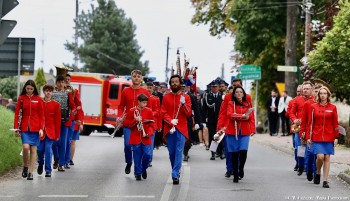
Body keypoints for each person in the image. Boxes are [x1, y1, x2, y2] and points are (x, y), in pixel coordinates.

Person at [117, 70, 151, 175]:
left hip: (141, 123)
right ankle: (128, 162)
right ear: (131, 78)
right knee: (127, 145)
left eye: (138, 76)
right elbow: (121, 106)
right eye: (134, 76)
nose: (136, 78)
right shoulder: (125, 91)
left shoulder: (145, 92)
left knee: (139, 147)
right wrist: (119, 116)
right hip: (129, 122)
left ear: (141, 78)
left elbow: (148, 107)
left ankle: (139, 169)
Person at [217, 78, 252, 178]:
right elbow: (223, 113)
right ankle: (230, 169)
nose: (236, 87)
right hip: (229, 126)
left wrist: (252, 128)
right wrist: (220, 127)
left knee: (241, 150)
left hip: (242, 127)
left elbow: (250, 113)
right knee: (229, 150)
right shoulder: (228, 98)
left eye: (238, 85)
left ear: (241, 86)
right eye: (234, 85)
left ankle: (239, 168)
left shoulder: (247, 97)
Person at [161, 75, 192, 184]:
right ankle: (176, 169)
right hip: (170, 128)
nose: (174, 83)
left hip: (181, 128)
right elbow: (163, 112)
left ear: (180, 83)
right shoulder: (165, 97)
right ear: (170, 83)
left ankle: (175, 173)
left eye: (176, 81)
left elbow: (188, 114)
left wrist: (183, 104)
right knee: (172, 152)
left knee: (179, 151)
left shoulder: (186, 97)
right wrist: (170, 121)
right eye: (172, 82)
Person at [306, 86, 338, 188]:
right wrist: (308, 137)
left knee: (327, 157)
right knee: (320, 157)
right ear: (318, 95)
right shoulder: (313, 107)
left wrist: (336, 137)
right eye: (321, 93)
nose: (323, 95)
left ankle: (325, 181)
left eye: (325, 93)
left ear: (328, 95)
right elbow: (309, 123)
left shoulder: (333, 107)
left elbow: (335, 124)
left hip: (329, 136)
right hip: (317, 135)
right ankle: (318, 171)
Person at [14, 80, 44, 180]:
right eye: (27, 89)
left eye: (31, 89)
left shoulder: (38, 99)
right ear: (25, 88)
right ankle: (25, 166)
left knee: (33, 149)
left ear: (34, 89)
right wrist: (16, 129)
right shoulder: (21, 98)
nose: (29, 91)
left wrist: (41, 128)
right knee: (26, 147)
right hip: (24, 127)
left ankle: (31, 173)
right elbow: (17, 114)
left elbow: (41, 115)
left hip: (35, 128)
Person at [124, 94, 155, 180]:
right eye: (143, 103)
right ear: (138, 102)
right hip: (136, 137)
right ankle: (138, 173)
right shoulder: (132, 111)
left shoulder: (149, 111)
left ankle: (143, 169)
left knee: (147, 155)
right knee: (136, 156)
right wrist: (135, 120)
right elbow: (128, 124)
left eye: (146, 103)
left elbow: (152, 125)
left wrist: (148, 133)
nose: (145, 104)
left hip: (146, 137)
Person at [51, 75, 76, 172]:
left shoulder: (68, 93)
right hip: (54, 122)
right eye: (59, 82)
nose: (61, 84)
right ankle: (56, 158)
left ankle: (61, 164)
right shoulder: (52, 93)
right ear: (56, 83)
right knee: (53, 142)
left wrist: (73, 110)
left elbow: (72, 105)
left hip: (65, 121)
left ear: (65, 83)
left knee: (63, 143)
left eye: (63, 82)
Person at [289, 81, 314, 176]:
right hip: (299, 127)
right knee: (299, 148)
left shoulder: (315, 100)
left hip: (310, 128)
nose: (305, 90)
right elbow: (291, 113)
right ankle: (300, 165)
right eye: (304, 89)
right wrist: (294, 119)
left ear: (312, 90)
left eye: (307, 89)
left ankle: (308, 167)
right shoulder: (297, 100)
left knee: (309, 148)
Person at [37, 85, 61, 178]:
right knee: (39, 150)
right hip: (40, 131)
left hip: (51, 132)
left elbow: (57, 121)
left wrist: (57, 134)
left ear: (52, 92)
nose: (48, 93)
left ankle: (48, 170)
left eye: (50, 91)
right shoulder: (39, 102)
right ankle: (40, 164)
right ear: (44, 91)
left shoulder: (56, 104)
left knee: (48, 149)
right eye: (46, 91)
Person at [300, 84, 322, 181]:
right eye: (316, 91)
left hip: (321, 133)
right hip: (310, 133)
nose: (317, 93)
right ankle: (309, 170)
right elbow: (304, 120)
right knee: (310, 154)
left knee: (319, 155)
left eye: (319, 91)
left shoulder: (324, 104)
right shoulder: (308, 104)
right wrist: (302, 133)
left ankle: (316, 172)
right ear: (313, 91)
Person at [202, 80, 224, 160]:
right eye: (213, 87)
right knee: (212, 136)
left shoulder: (222, 96)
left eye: (216, 87)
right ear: (211, 87)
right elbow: (204, 109)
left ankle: (221, 152)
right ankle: (213, 153)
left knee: (221, 136)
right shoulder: (208, 96)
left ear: (218, 87)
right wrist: (203, 121)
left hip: (220, 120)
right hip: (211, 120)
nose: (214, 88)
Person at [65, 74, 83, 166]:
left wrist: (80, 121)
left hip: (73, 119)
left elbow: (79, 106)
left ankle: (69, 159)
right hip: (63, 119)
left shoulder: (74, 91)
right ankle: (62, 158)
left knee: (72, 141)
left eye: (68, 79)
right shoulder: (59, 91)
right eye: (65, 79)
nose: (67, 81)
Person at [182, 85, 200, 161]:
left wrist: (197, 122)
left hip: (188, 119)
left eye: (184, 87)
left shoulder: (190, 96)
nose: (182, 88)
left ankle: (185, 152)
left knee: (188, 137)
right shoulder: (174, 95)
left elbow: (196, 109)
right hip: (177, 121)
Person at [286, 85, 302, 172]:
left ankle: (303, 164)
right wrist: (295, 119)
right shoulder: (292, 101)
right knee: (296, 146)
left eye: (301, 91)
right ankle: (298, 162)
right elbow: (288, 113)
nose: (299, 93)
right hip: (296, 127)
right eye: (298, 91)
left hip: (304, 126)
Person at [145, 82, 161, 167]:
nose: (149, 89)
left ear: (153, 88)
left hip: (152, 124)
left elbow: (158, 112)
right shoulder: (141, 98)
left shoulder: (156, 99)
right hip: (143, 123)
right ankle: (143, 158)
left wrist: (159, 125)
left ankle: (149, 160)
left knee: (150, 142)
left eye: (150, 87)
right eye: (148, 87)